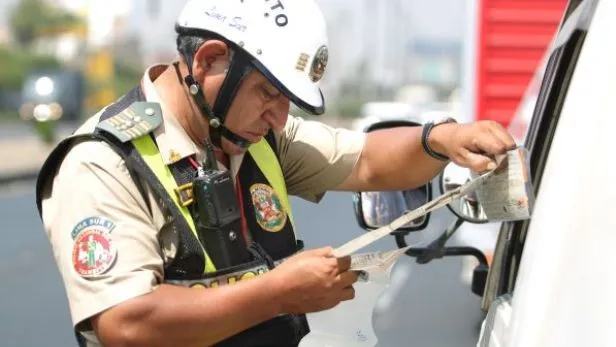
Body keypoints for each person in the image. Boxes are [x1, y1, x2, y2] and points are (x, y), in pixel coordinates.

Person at [35, 0, 517, 346]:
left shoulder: (256, 135)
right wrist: (278, 293)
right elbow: (127, 324)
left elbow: (367, 159)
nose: (280, 117)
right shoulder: (102, 162)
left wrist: (441, 140)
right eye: (269, 92)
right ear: (207, 62)